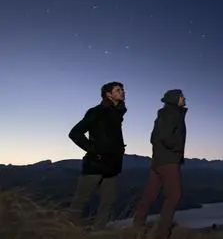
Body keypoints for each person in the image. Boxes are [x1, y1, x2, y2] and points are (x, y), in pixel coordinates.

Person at [67, 81, 127, 230]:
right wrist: (94, 150)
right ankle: (67, 229)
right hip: (96, 164)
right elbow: (75, 133)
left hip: (112, 166)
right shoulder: (96, 111)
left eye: (122, 90)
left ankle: (99, 231)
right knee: (81, 199)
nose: (123, 92)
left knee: (109, 200)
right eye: (118, 90)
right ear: (108, 94)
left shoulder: (117, 113)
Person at [132, 89, 188, 239]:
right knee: (174, 196)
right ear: (175, 99)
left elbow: (153, 137)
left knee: (149, 195)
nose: (184, 98)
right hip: (168, 161)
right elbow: (165, 137)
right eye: (182, 96)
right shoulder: (173, 114)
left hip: (158, 161)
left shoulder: (163, 114)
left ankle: (137, 226)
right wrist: (176, 149)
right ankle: (162, 233)